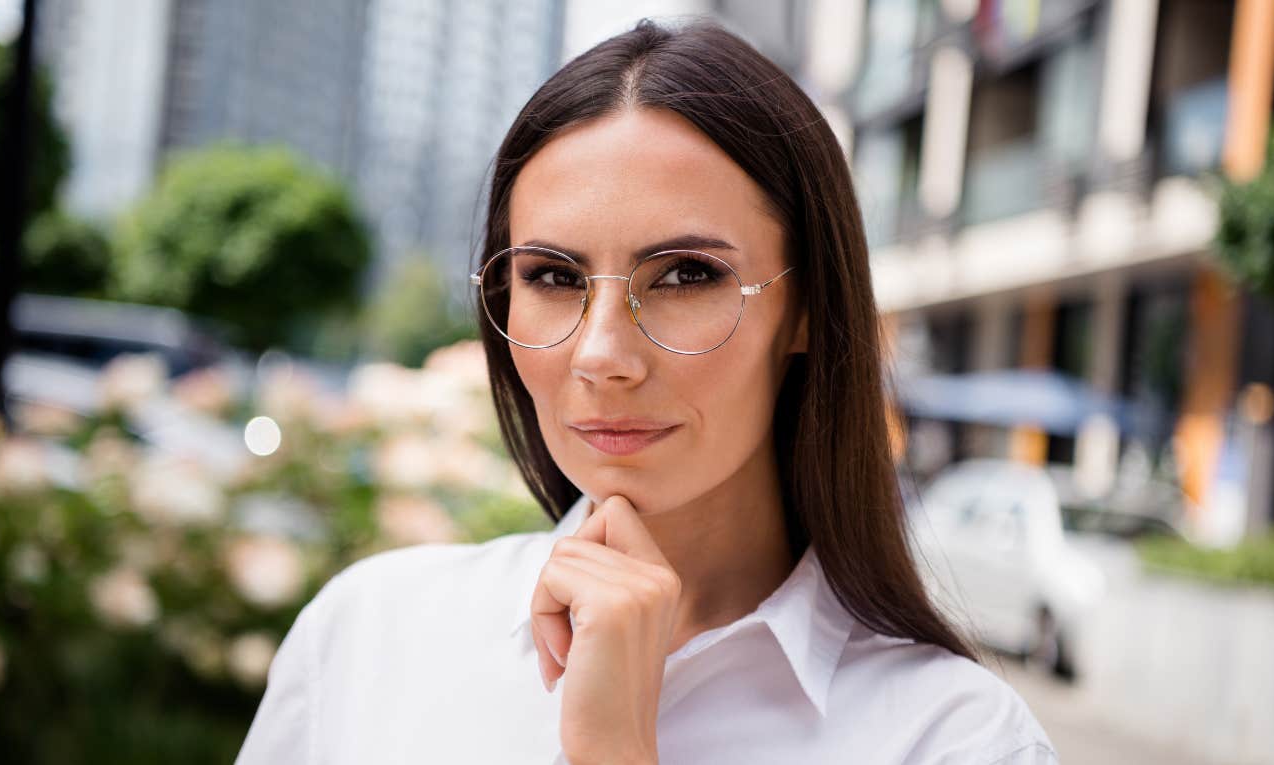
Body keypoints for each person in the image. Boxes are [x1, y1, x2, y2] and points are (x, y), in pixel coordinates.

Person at [237, 18, 1058, 765]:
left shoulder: (954, 739)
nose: (601, 356)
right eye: (552, 275)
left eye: (687, 275)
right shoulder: (371, 634)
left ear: (806, 307)